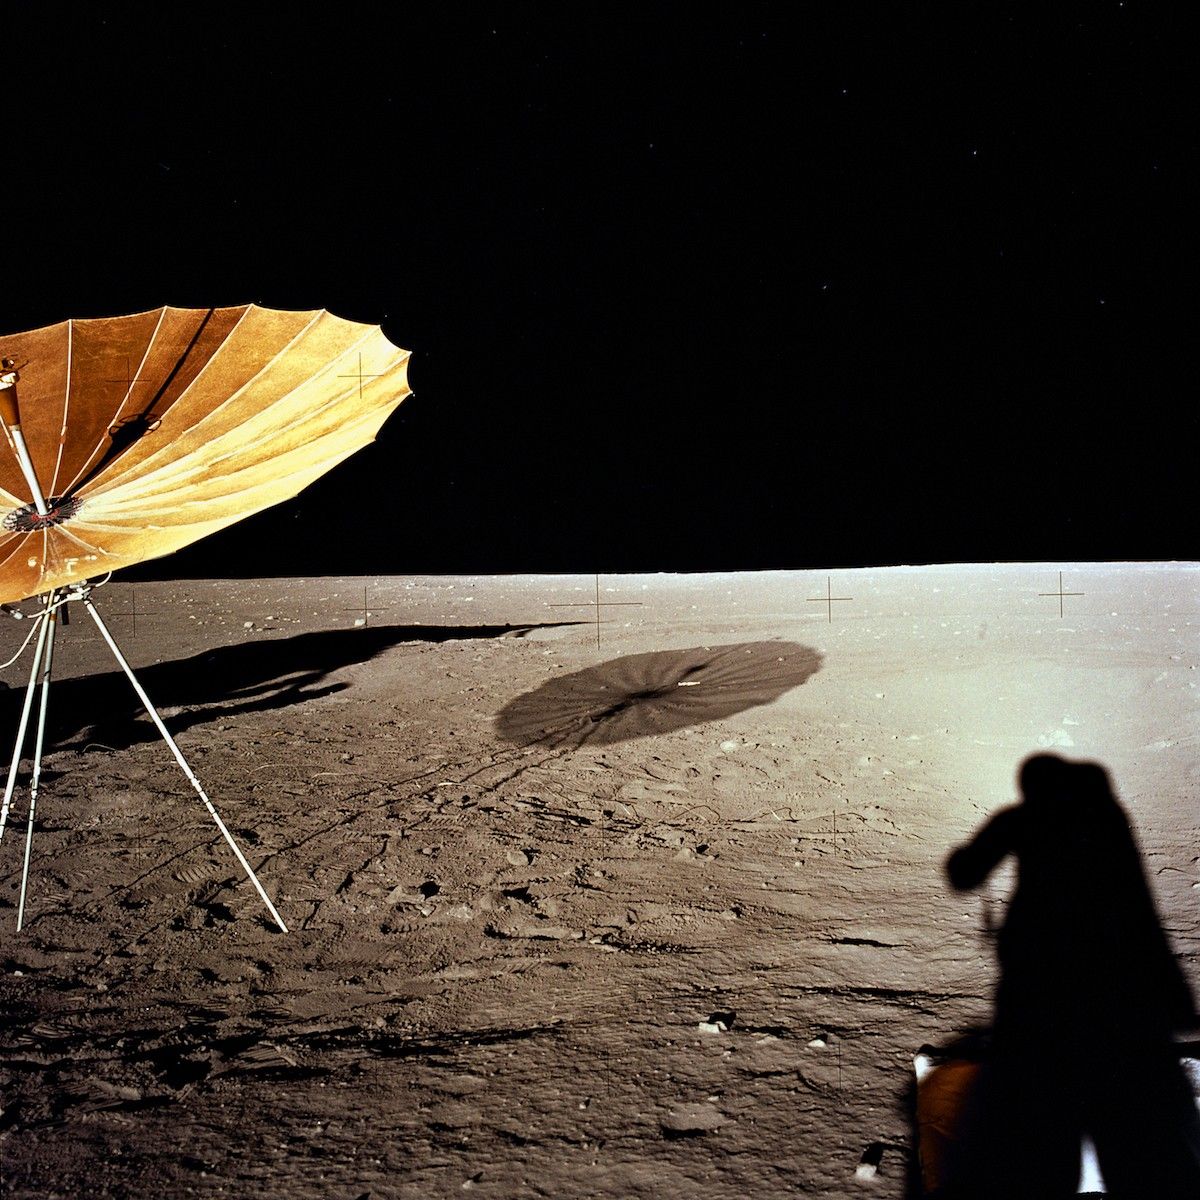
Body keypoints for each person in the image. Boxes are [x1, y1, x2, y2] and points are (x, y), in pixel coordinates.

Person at [943, 754, 1200, 1197]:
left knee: (1042, 1137)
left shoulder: (1022, 817)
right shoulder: (1108, 820)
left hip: (1040, 991)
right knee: (1137, 1146)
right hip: (1122, 994)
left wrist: (962, 857)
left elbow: (964, 875)